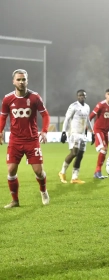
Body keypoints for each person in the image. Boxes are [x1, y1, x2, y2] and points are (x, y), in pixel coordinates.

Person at [0, 69, 50, 208]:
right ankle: (15, 201)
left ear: (27, 80)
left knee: (39, 172)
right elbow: (3, 116)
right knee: (11, 171)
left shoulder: (35, 97)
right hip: (15, 141)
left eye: (24, 79)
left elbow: (45, 115)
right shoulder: (7, 99)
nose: (21, 82)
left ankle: (43, 191)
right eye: (19, 79)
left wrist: (44, 131)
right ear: (13, 81)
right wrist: (0, 131)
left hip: (32, 140)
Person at [58, 90, 93, 184]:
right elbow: (67, 119)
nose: (81, 97)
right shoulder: (73, 106)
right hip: (74, 133)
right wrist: (63, 132)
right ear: (77, 96)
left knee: (80, 155)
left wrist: (92, 132)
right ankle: (62, 172)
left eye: (83, 95)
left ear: (85, 97)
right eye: (80, 95)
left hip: (83, 135)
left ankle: (74, 177)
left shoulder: (87, 107)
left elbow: (88, 120)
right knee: (74, 152)